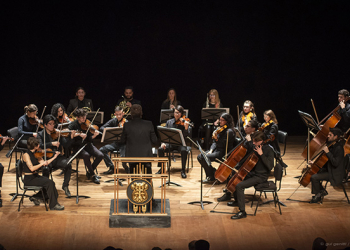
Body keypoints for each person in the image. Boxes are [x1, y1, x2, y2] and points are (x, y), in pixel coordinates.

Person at [230, 131, 275, 219]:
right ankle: (237, 201)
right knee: (235, 177)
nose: (253, 143)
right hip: (253, 173)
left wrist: (261, 154)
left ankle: (242, 212)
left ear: (261, 140)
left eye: (255, 141)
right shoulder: (256, 147)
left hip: (260, 176)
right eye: (253, 141)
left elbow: (270, 166)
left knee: (239, 186)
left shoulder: (269, 150)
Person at [217, 119, 259, 202]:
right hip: (244, 163)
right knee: (230, 171)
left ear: (253, 129)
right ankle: (229, 193)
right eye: (245, 125)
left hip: (251, 167)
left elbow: (255, 151)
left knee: (233, 173)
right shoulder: (248, 136)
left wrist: (250, 141)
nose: (245, 127)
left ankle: (236, 199)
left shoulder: (257, 138)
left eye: (248, 126)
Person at [22, 137, 64, 210]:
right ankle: (53, 205)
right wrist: (42, 164)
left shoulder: (36, 154)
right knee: (49, 183)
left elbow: (45, 163)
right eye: (38, 145)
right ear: (35, 146)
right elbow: (32, 168)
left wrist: (54, 157)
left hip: (35, 176)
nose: (39, 146)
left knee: (51, 183)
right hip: (29, 179)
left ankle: (48, 200)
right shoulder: (26, 155)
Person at [37, 115, 72, 197]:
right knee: (46, 168)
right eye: (50, 124)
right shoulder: (40, 134)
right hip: (47, 158)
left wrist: (71, 137)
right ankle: (44, 189)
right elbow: (39, 146)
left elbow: (66, 145)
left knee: (68, 164)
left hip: (57, 158)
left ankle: (65, 186)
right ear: (45, 125)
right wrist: (51, 143)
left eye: (53, 124)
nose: (52, 126)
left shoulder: (57, 133)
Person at [309, 127, 345, 203]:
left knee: (314, 177)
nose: (328, 136)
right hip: (330, 169)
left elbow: (335, 163)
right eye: (328, 134)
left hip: (335, 174)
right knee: (313, 172)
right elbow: (326, 162)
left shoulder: (339, 148)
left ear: (335, 137)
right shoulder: (332, 145)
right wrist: (314, 164)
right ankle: (322, 191)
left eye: (330, 135)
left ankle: (318, 195)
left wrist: (328, 152)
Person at [68, 108, 103, 184]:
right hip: (77, 146)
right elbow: (70, 138)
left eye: (85, 116)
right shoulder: (72, 125)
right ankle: (93, 175)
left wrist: (94, 136)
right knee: (86, 155)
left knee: (100, 155)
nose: (85, 118)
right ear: (77, 117)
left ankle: (90, 171)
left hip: (87, 144)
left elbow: (89, 139)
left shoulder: (87, 124)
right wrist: (79, 135)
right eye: (82, 117)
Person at [120, 104, 157, 175]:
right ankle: (148, 185)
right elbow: (154, 140)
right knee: (147, 178)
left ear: (131, 114)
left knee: (134, 180)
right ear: (141, 113)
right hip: (146, 155)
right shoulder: (149, 124)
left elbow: (122, 141)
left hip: (132, 156)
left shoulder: (127, 125)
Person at [197, 113, 235, 183]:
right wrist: (211, 150)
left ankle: (211, 176)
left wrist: (217, 139)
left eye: (222, 120)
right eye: (219, 120)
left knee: (202, 157)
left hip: (224, 153)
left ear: (227, 121)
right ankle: (213, 173)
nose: (220, 121)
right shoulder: (220, 129)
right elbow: (214, 142)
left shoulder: (229, 132)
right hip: (217, 150)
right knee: (200, 156)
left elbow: (223, 145)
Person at [157, 105, 191, 178]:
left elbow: (187, 137)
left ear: (181, 114)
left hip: (180, 144)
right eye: (176, 112)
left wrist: (185, 128)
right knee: (160, 149)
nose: (177, 114)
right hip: (171, 144)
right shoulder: (169, 122)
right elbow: (164, 135)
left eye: (178, 113)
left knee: (184, 151)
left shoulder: (184, 123)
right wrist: (163, 143)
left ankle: (183, 170)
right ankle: (162, 168)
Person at [99, 106, 129, 175]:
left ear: (123, 113)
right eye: (117, 114)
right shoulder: (113, 120)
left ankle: (126, 167)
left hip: (124, 144)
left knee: (123, 157)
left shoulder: (126, 122)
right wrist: (111, 130)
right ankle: (112, 167)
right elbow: (102, 128)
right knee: (102, 150)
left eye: (120, 114)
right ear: (114, 114)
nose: (118, 116)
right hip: (115, 143)